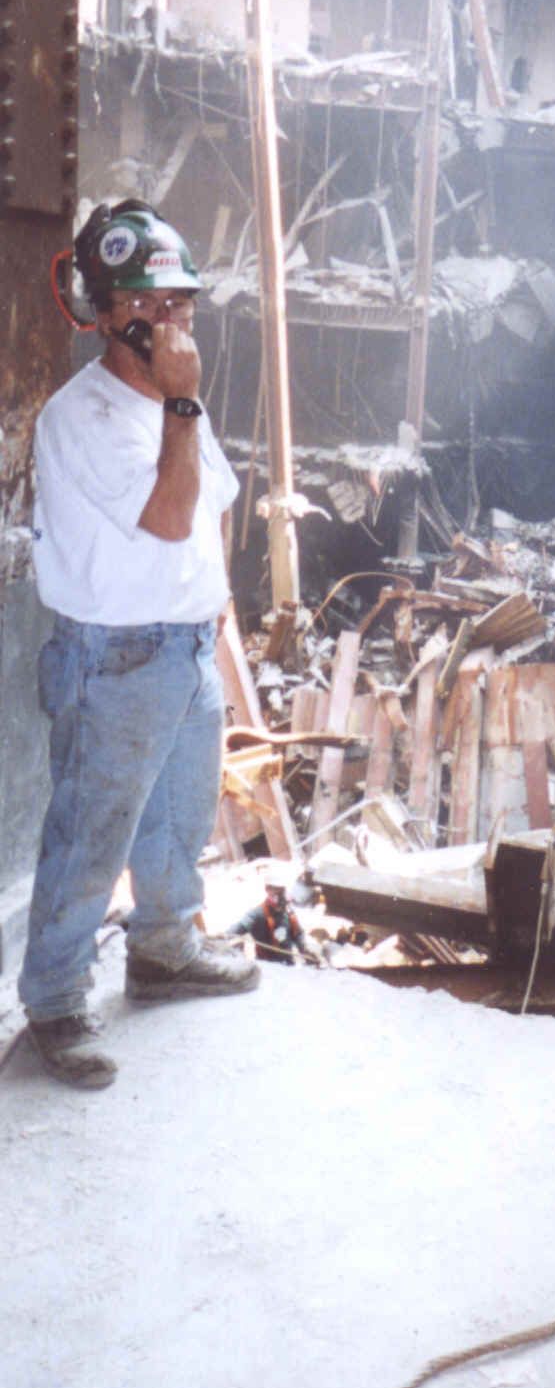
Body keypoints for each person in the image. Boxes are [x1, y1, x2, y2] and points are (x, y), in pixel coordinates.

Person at [18, 199, 259, 1090]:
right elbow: (164, 517)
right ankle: (51, 1001)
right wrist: (185, 400)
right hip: (114, 657)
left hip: (185, 644)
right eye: (157, 309)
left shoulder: (169, 404)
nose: (176, 324)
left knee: (175, 819)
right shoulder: (82, 417)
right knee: (91, 836)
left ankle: (163, 950)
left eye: (184, 306)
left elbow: (212, 508)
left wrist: (218, 604)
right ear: (110, 315)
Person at [226, 879, 321, 966]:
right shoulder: (257, 914)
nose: (279, 894)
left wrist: (305, 951)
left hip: (288, 965)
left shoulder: (288, 912)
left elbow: (298, 934)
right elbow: (237, 929)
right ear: (267, 890)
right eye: (275, 890)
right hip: (267, 966)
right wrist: (222, 937)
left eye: (281, 890)